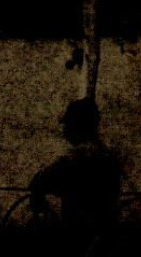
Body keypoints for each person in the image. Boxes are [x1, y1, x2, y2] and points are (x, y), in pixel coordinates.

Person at [30, 98, 122, 233]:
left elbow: (40, 181)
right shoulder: (108, 156)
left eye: (67, 124)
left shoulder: (76, 158)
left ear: (76, 126)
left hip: (78, 235)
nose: (64, 130)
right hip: (105, 235)